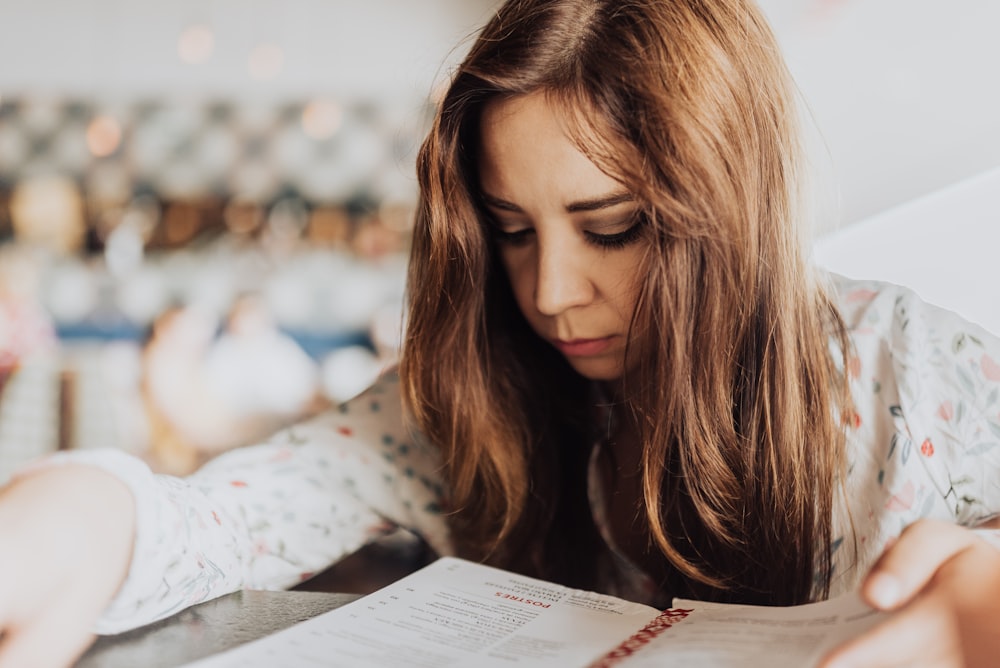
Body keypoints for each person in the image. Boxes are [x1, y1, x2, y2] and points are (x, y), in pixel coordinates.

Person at [0, 0, 998, 666]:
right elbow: (230, 511)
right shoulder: (474, 396)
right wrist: (91, 508)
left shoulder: (916, 367)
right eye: (511, 232)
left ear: (730, 209)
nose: (553, 292)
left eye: (612, 228)